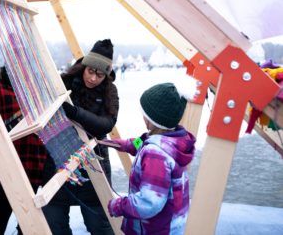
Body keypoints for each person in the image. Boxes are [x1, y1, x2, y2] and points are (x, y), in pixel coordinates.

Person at [42, 39, 119, 235]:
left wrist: (75, 113)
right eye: (90, 71)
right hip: (59, 160)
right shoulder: (63, 83)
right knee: (54, 223)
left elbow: (107, 123)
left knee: (99, 225)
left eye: (100, 75)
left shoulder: (110, 91)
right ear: (84, 67)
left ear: (107, 75)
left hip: (93, 165)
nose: (93, 78)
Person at [104, 80, 197, 235]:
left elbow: (149, 202)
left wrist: (118, 205)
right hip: (170, 223)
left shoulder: (156, 155)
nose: (143, 117)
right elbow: (143, 142)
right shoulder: (174, 139)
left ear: (153, 119)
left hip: (154, 229)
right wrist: (123, 144)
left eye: (145, 114)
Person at [0, 66, 47, 235]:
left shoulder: (37, 85)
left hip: (34, 152)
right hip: (5, 153)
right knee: (5, 201)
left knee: (30, 203)